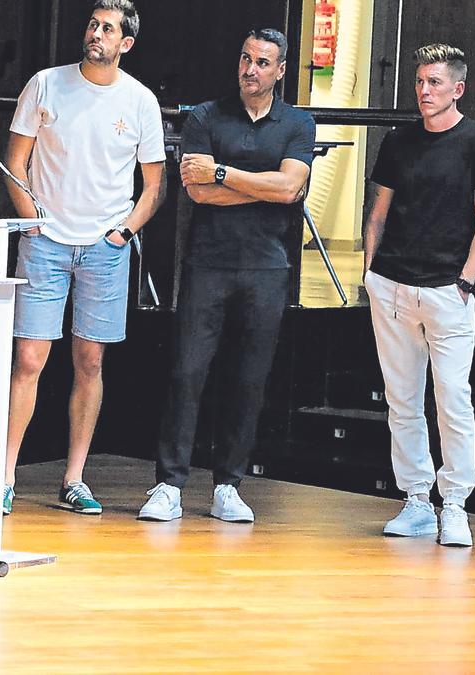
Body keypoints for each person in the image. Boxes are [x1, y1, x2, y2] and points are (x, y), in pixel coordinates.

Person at [137, 29, 315, 523]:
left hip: (267, 267)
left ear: (280, 71)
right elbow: (196, 190)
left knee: (248, 379)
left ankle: (228, 485)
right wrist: (256, 184)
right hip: (208, 263)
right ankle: (169, 484)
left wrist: (224, 174)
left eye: (262, 62)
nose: (250, 69)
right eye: (245, 59)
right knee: (187, 373)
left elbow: (289, 189)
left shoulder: (297, 122)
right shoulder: (206, 116)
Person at [1, 0, 166, 516]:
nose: (96, 33)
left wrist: (124, 232)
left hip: (104, 248)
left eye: (108, 28)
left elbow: (153, 185)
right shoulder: (46, 83)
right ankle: (3, 475)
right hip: (45, 242)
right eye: (93, 24)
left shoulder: (139, 101)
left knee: (89, 360)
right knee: (29, 358)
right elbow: (15, 161)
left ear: (126, 43)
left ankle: (74, 477)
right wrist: (32, 221)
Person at [362, 43, 475, 547]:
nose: (424, 91)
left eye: (435, 83)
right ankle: (417, 500)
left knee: (452, 398)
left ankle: (456, 505)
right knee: (401, 399)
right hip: (392, 283)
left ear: (457, 89)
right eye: (420, 82)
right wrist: (368, 271)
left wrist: (465, 281)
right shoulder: (399, 142)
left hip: (449, 289)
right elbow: (378, 210)